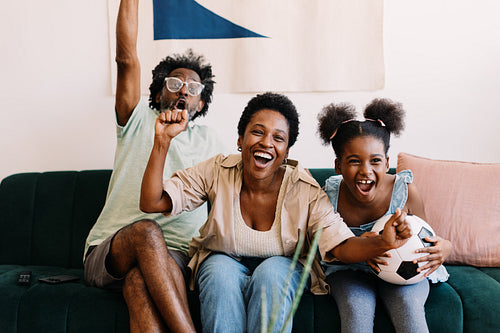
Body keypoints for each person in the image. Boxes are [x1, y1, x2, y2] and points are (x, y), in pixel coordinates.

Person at [140, 92, 413, 333]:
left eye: (278, 138)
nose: (266, 143)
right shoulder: (217, 170)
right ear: (240, 138)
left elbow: (341, 247)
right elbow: (153, 202)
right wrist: (162, 142)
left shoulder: (304, 189)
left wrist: (382, 242)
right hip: (223, 259)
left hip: (283, 265)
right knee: (218, 271)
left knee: (272, 272)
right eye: (257, 132)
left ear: (286, 151)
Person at [83, 0, 225, 331]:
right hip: (111, 251)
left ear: (201, 102)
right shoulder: (135, 119)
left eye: (193, 89)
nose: (183, 92)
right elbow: (126, 59)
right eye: (174, 84)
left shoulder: (212, 143)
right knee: (148, 230)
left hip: (176, 257)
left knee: (137, 285)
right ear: (160, 91)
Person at [317, 98, 452, 333]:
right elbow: (327, 250)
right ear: (338, 166)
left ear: (387, 163)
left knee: (408, 308)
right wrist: (366, 246)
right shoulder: (328, 196)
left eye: (375, 161)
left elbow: (426, 237)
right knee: (356, 308)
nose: (365, 171)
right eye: (354, 161)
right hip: (350, 270)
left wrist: (445, 247)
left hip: (403, 272)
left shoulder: (405, 192)